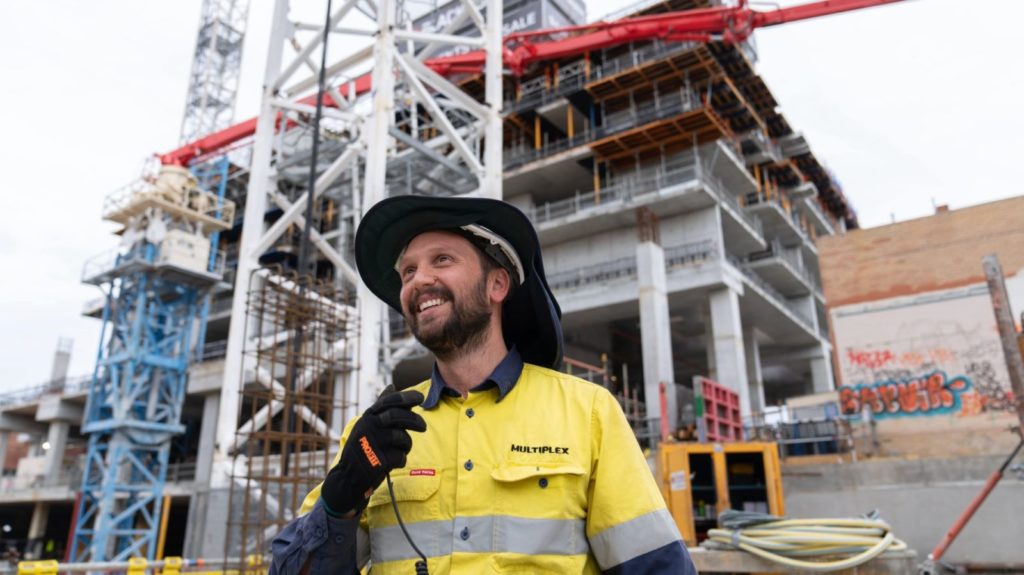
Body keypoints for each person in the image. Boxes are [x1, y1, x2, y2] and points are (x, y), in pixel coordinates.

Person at [269, 196, 696, 574]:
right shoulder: (378, 433)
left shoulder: (588, 413)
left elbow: (658, 566)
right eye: (408, 271)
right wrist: (340, 498)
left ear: (497, 285)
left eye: (442, 260)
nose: (418, 280)